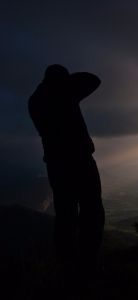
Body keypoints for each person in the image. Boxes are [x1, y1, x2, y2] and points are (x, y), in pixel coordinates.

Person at [28, 64, 105, 279]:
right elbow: (93, 79)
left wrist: (60, 82)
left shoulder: (35, 100)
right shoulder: (65, 94)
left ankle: (66, 264)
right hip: (79, 160)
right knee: (92, 211)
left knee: (65, 214)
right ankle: (87, 263)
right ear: (62, 80)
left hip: (56, 165)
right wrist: (68, 80)